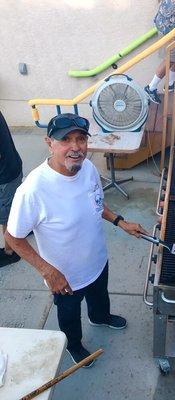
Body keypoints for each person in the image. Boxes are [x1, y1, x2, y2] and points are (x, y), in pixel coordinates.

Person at [5, 113, 147, 367]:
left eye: (80, 139)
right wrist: (48, 272)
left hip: (97, 259)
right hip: (65, 276)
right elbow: (13, 238)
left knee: (100, 297)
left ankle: (100, 316)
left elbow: (96, 203)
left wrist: (120, 222)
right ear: (49, 143)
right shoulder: (33, 189)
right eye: (66, 140)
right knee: (69, 316)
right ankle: (74, 345)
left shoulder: (88, 168)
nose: (75, 147)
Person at [0, 110, 22, 268]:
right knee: (16, 206)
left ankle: (11, 252)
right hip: (12, 166)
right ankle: (25, 227)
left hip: (6, 175)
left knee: (8, 216)